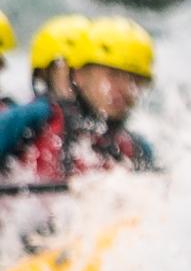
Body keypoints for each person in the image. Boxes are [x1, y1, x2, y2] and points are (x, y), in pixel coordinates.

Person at [2, 14, 163, 186]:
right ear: (79, 75)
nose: (124, 89)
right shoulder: (32, 118)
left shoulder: (136, 148)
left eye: (135, 80)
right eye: (113, 75)